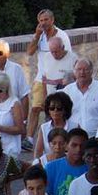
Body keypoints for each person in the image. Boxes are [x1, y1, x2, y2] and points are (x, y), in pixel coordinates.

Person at [26, 9, 73, 146]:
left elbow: (68, 57)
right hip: (42, 78)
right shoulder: (39, 36)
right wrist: (36, 35)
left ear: (52, 20)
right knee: (35, 108)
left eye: (46, 20)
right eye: (41, 20)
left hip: (57, 79)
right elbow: (29, 52)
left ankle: (57, 138)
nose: (43, 23)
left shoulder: (62, 36)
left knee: (55, 110)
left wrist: (63, 80)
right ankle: (29, 139)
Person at [62, 58, 98, 138]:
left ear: (92, 71)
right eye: (79, 69)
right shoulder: (67, 91)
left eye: (86, 69)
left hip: (97, 137)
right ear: (74, 71)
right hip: (72, 137)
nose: (82, 72)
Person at [44, 128, 89, 195]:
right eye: (74, 145)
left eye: (82, 145)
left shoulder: (91, 169)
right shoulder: (51, 168)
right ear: (66, 145)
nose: (78, 149)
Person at [33, 91, 77, 160]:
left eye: (59, 108)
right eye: (52, 108)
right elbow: (38, 153)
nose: (55, 111)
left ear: (65, 110)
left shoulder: (75, 127)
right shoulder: (43, 128)